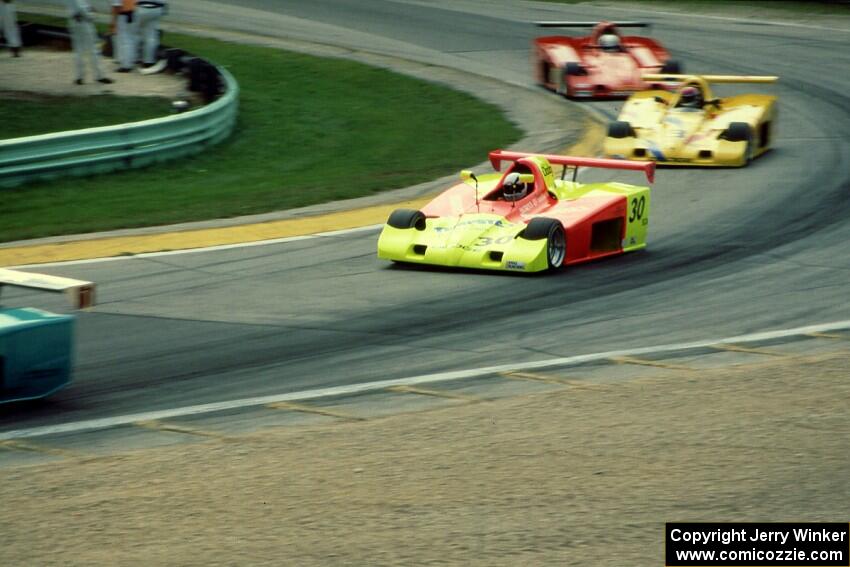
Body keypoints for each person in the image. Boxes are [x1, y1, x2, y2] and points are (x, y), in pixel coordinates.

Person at [65, 0, 114, 84]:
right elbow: (82, 8)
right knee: (93, 50)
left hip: (74, 21)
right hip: (83, 22)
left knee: (78, 51)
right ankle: (100, 75)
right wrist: (92, 15)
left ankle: (79, 76)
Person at [136, 0, 166, 72]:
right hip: (157, 8)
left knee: (137, 33)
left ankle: (135, 57)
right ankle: (148, 61)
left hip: (141, 7)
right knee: (151, 36)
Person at [111, 0, 137, 72]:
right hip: (132, 13)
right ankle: (130, 61)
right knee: (130, 40)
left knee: (124, 41)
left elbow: (116, 7)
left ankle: (126, 65)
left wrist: (113, 22)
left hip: (123, 15)